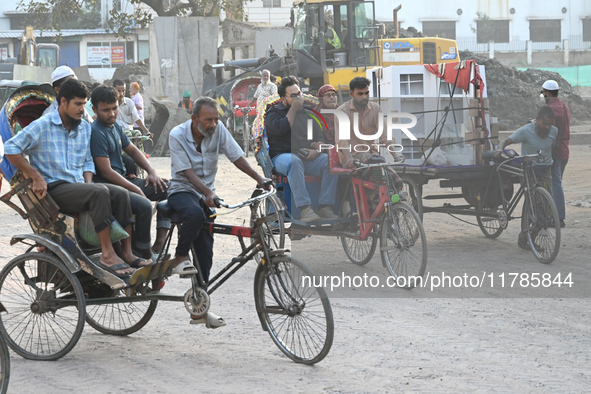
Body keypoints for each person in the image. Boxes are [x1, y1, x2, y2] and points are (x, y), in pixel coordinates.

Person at [4, 79, 142, 277]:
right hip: (53, 189)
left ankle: (124, 252)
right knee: (100, 192)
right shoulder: (43, 125)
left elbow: (87, 161)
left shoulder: (84, 128)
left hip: (78, 187)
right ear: (63, 103)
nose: (81, 109)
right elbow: (10, 149)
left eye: (84, 104)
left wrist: (88, 185)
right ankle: (107, 254)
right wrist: (35, 176)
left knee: (121, 194)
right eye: (77, 104)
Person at [168, 96, 269, 327]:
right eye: (208, 120)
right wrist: (207, 193)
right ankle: (180, 257)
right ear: (194, 119)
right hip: (182, 190)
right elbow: (186, 172)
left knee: (206, 254)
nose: (213, 124)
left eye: (216, 119)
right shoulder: (176, 135)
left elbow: (236, 157)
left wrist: (259, 179)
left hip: (207, 195)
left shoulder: (219, 130)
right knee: (194, 214)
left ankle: (199, 307)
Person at [90, 85, 170, 263]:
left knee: (171, 189)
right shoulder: (97, 132)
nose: (111, 113)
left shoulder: (115, 127)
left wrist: (152, 172)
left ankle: (159, 244)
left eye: (114, 108)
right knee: (144, 206)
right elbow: (106, 172)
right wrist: (135, 188)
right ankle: (143, 253)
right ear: (94, 110)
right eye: (106, 110)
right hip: (110, 186)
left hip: (125, 181)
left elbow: (133, 151)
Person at [266, 76, 338, 222]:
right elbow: (281, 129)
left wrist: (317, 150)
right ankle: (305, 208)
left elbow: (318, 137)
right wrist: (293, 109)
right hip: (282, 157)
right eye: (293, 96)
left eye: (299, 94)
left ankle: (325, 206)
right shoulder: (273, 113)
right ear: (283, 99)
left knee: (329, 162)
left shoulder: (307, 114)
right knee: (294, 161)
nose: (298, 98)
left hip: (306, 157)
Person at [494, 106, 558, 249]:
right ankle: (526, 238)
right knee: (534, 205)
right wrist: (499, 149)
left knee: (547, 209)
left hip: (546, 171)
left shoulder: (554, 131)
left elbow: (551, 149)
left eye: (549, 124)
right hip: (529, 170)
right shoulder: (526, 131)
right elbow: (505, 142)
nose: (547, 127)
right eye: (544, 123)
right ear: (537, 120)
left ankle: (527, 237)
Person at [336, 77, 403, 178]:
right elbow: (342, 141)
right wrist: (349, 159)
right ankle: (372, 192)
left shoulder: (376, 108)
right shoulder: (342, 111)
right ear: (351, 94)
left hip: (373, 157)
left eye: (366, 93)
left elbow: (385, 136)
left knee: (396, 180)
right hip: (352, 158)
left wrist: (396, 156)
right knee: (376, 172)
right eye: (360, 94)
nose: (364, 97)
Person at [541, 80, 570, 228]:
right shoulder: (564, 106)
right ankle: (554, 214)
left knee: (555, 183)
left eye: (543, 93)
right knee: (554, 183)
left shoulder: (551, 110)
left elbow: (547, 132)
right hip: (564, 150)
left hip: (555, 152)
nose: (543, 96)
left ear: (548, 93)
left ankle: (559, 217)